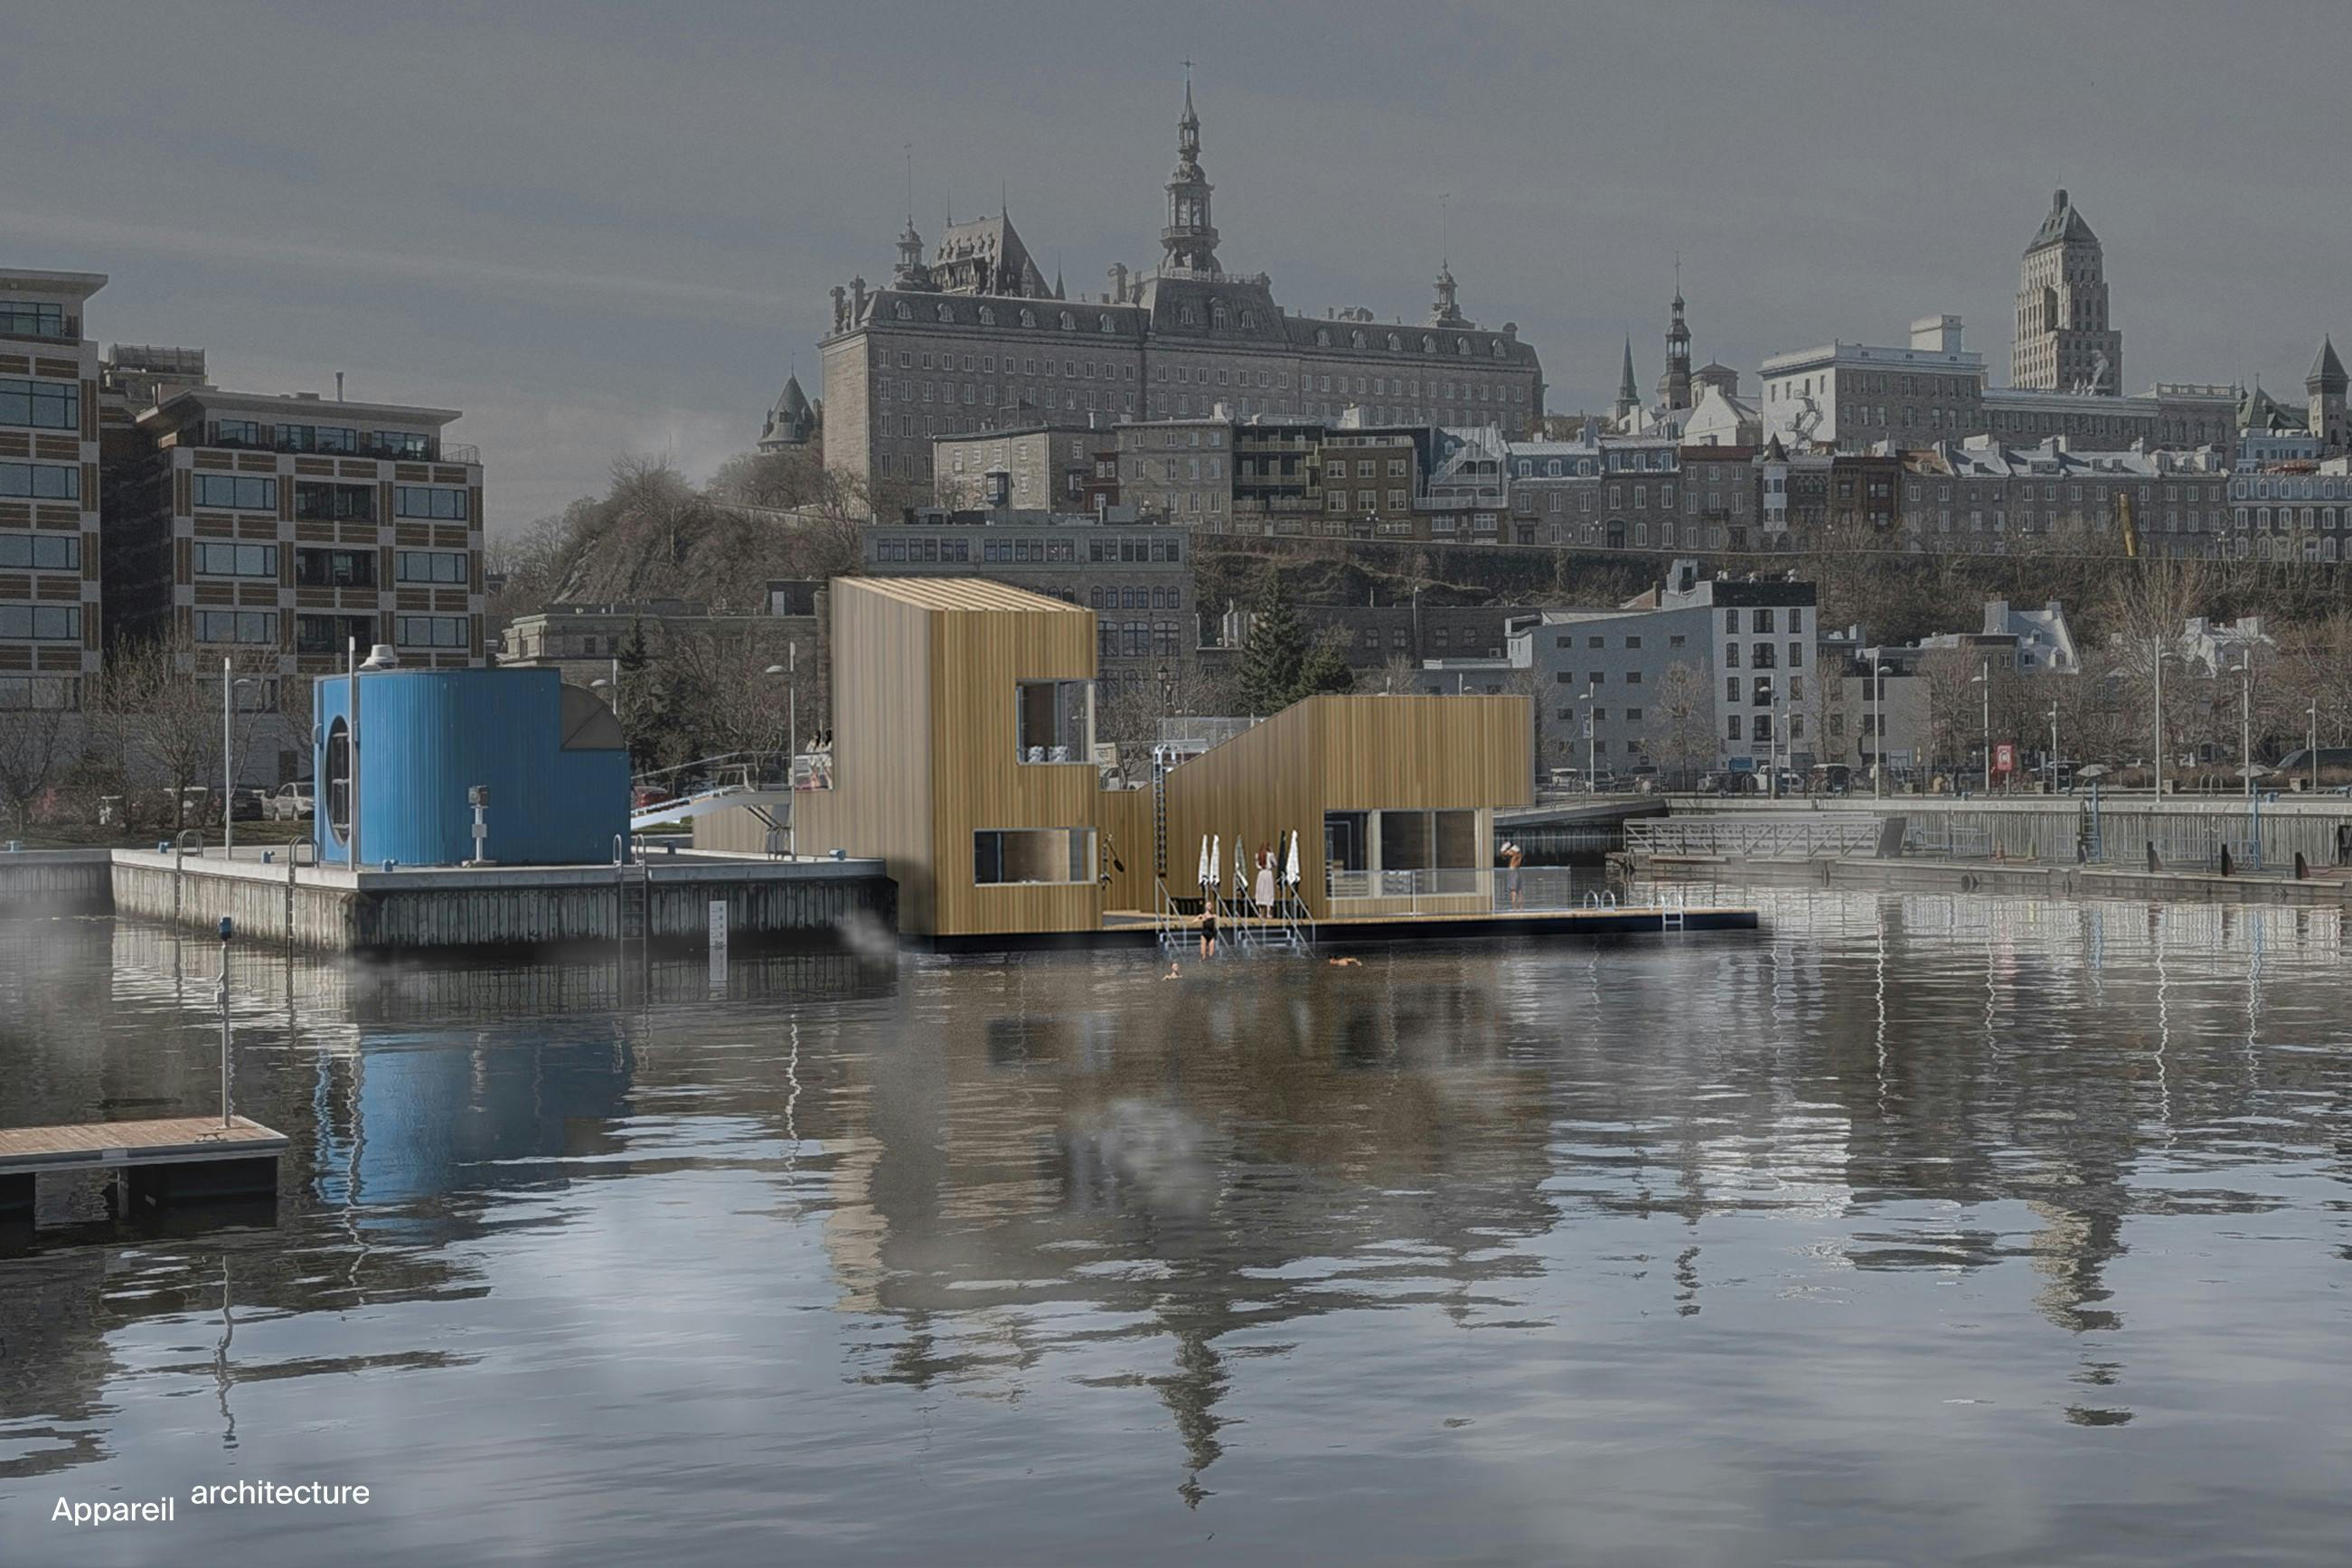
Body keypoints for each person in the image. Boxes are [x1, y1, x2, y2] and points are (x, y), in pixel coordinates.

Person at [1254, 843, 1276, 918]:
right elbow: (1275, 864)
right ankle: (1268, 913)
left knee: (1261, 892)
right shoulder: (1270, 855)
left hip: (1261, 874)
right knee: (1268, 892)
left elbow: (1257, 865)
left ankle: (1260, 912)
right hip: (1268, 873)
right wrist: (1272, 852)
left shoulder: (1257, 855)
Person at [1502, 840, 1525, 908]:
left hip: (1512, 871)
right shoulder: (1519, 855)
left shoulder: (1514, 852)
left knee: (1513, 891)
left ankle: (1514, 908)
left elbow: (1503, 853)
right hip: (1517, 870)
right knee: (1520, 890)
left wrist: (1505, 847)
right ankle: (1521, 908)